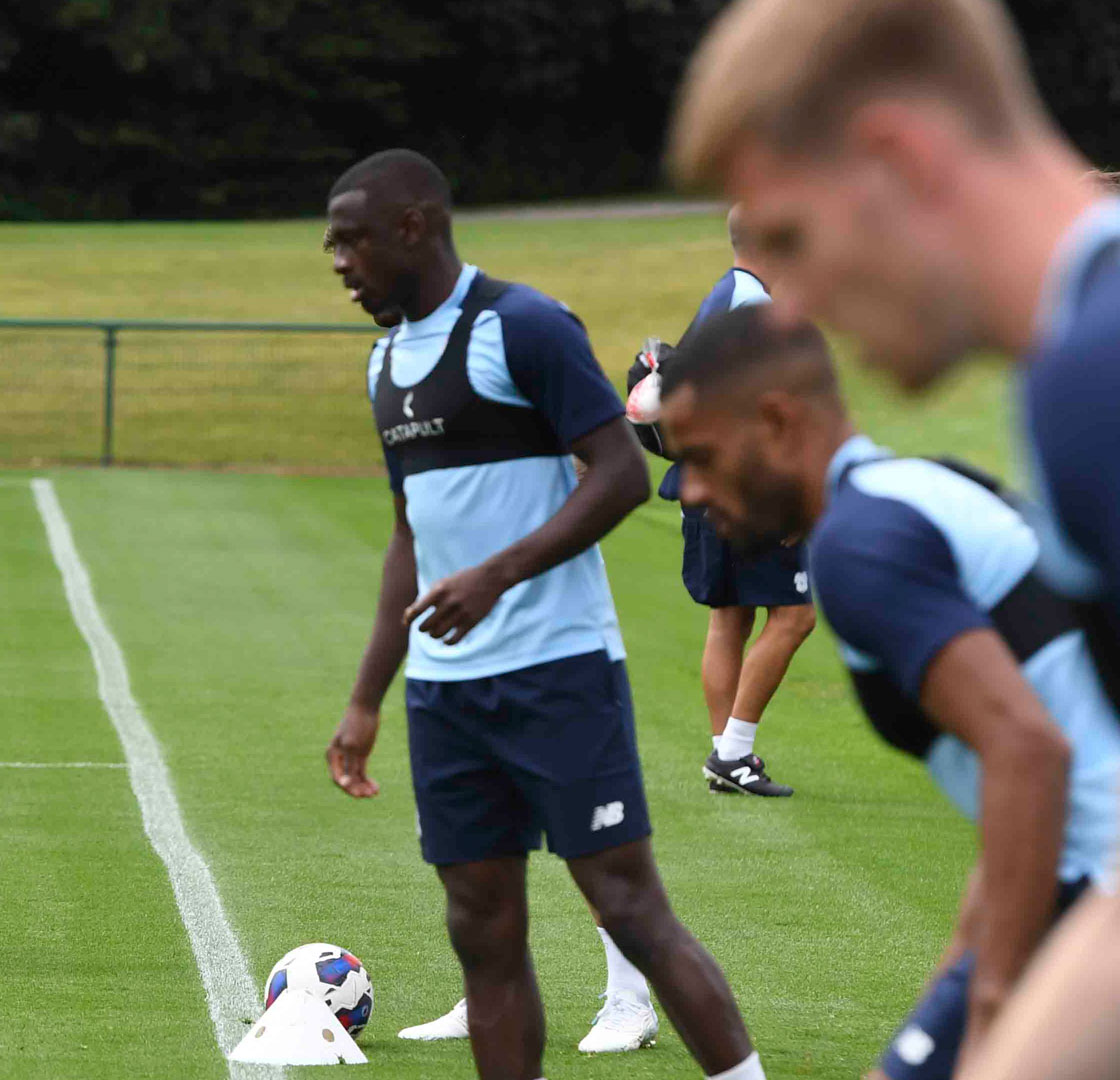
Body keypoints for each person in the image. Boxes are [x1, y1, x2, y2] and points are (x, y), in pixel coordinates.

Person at [668, 2, 1120, 1073]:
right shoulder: (1069, 376)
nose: (796, 310)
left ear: (898, 159)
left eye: (790, 242)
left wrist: (995, 1004)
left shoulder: (1093, 381)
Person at [322, 148, 763, 1079]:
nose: (338, 262)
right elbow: (409, 534)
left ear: (414, 228)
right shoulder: (384, 361)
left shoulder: (523, 326)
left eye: (351, 240)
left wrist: (496, 575)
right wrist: (367, 695)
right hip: (445, 695)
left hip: (558, 669)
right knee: (483, 931)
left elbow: (619, 473)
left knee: (630, 908)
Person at [629, 206, 814, 797]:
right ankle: (732, 753)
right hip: (743, 491)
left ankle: (726, 755)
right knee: (795, 615)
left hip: (703, 486)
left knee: (729, 617)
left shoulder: (726, 294)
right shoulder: (753, 305)